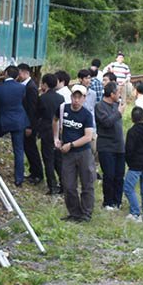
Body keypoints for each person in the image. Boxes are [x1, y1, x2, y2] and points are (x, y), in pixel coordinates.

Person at [53, 84, 97, 222]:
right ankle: (74, 212)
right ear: (71, 96)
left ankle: (86, 213)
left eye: (79, 97)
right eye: (74, 97)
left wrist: (71, 145)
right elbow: (54, 120)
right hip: (67, 154)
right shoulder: (62, 109)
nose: (76, 100)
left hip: (83, 152)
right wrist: (56, 138)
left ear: (84, 98)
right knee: (68, 185)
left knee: (87, 183)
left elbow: (88, 137)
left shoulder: (86, 115)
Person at [0, 65, 31, 185]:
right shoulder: (21, 88)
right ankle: (18, 179)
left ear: (5, 73)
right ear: (16, 76)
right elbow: (23, 103)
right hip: (19, 122)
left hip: (4, 121)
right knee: (18, 150)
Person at [95, 83, 126, 211]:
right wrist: (118, 113)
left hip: (119, 146)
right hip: (106, 146)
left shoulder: (116, 105)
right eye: (117, 92)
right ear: (111, 94)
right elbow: (106, 122)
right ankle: (108, 202)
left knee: (119, 175)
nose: (119, 95)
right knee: (109, 175)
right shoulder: (100, 106)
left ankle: (117, 201)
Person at [123, 106, 143, 222]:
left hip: (136, 164)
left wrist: (129, 162)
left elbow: (129, 149)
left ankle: (135, 212)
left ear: (132, 119)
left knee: (128, 187)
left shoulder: (132, 132)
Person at [36, 73, 64, 195]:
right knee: (58, 159)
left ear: (45, 84)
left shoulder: (42, 98)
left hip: (46, 131)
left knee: (48, 159)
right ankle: (63, 185)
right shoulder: (61, 98)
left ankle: (52, 186)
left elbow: (38, 115)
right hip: (59, 131)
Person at [17, 64, 44, 186]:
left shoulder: (31, 88)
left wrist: (30, 127)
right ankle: (34, 172)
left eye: (19, 73)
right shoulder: (27, 86)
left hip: (29, 125)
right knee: (28, 148)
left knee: (31, 149)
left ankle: (37, 174)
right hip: (26, 123)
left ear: (24, 72)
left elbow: (32, 109)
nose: (18, 76)